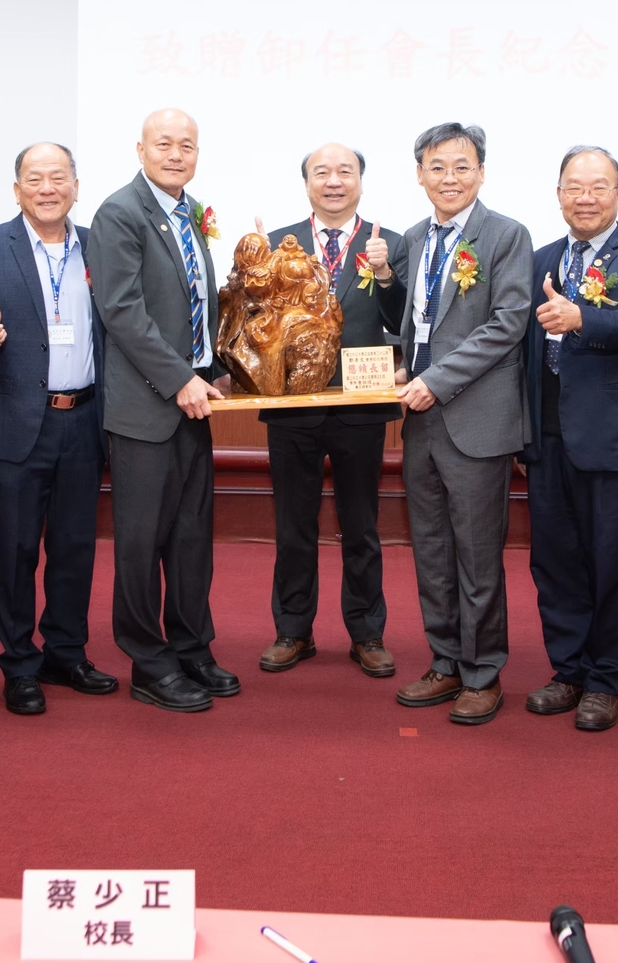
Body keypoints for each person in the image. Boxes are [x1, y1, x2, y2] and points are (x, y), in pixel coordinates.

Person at [0, 142, 118, 716]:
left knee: (75, 547)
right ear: (16, 189)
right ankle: (20, 665)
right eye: (34, 178)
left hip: (86, 418)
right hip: (18, 422)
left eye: (58, 177)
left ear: (75, 185)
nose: (47, 188)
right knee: (16, 550)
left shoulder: (99, 245)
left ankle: (66, 653)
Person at [88, 109, 239, 713]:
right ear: (140, 149)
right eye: (164, 144)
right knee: (141, 542)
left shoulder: (191, 212)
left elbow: (192, 302)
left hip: (192, 404)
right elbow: (122, 311)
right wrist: (180, 378)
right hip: (146, 407)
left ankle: (191, 646)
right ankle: (149, 663)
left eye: (187, 145)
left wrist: (213, 365)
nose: (176, 154)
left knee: (190, 538)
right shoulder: (120, 213)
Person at [519, 146, 618, 733]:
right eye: (574, 187)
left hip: (616, 442)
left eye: (598, 187)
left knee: (612, 564)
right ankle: (568, 670)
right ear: (559, 194)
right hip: (547, 438)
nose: (585, 198)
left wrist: (581, 317)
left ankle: (605, 679)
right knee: (554, 563)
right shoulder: (540, 259)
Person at [391, 122, 533, 725]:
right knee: (431, 550)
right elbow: (417, 322)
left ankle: (482, 671)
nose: (449, 178)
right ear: (419, 174)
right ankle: (445, 660)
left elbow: (507, 324)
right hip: (420, 420)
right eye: (437, 167)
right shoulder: (413, 238)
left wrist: (436, 380)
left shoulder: (506, 235)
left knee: (477, 556)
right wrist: (405, 367)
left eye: (461, 166)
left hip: (475, 418)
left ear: (481, 172)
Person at [256, 143, 408, 679]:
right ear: (307, 184)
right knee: (292, 526)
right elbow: (260, 320)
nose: (334, 181)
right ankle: (293, 631)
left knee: (361, 526)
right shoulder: (278, 242)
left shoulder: (389, 243)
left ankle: (367, 633)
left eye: (346, 171)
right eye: (322, 172)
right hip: (294, 407)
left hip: (360, 404)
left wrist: (385, 274)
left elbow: (403, 321)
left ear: (361, 181)